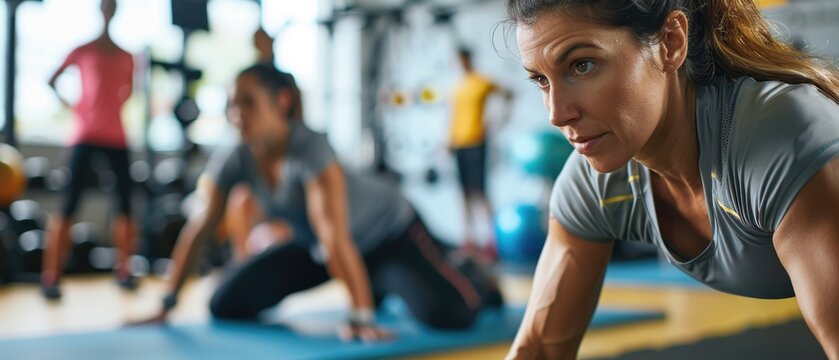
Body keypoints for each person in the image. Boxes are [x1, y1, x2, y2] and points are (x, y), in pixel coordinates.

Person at [504, 0, 839, 358]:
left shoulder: (775, 137)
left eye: (582, 65)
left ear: (670, 42)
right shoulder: (596, 184)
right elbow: (539, 348)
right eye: (541, 80)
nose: (557, 114)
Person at [143, 64, 501, 339]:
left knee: (450, 315)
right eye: (231, 105)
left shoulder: (310, 149)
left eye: (247, 103)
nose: (236, 114)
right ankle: (373, 287)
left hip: (389, 234)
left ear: (282, 101)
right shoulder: (235, 156)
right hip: (318, 246)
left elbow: (335, 234)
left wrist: (361, 317)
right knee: (226, 303)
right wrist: (167, 302)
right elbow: (202, 225)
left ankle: (472, 273)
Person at [42, 0, 137, 299]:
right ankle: (51, 276)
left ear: (115, 12)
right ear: (100, 10)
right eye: (105, 6)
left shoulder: (127, 56)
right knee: (68, 203)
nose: (108, 11)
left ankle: (124, 270)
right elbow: (52, 79)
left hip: (117, 137)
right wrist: (76, 108)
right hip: (85, 134)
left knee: (125, 204)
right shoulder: (83, 49)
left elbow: (128, 92)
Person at [448, 47, 513, 260]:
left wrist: (496, 121)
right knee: (464, 193)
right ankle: (468, 240)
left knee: (480, 192)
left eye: (463, 60)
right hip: (458, 144)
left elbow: (509, 95)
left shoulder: (482, 82)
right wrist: (447, 140)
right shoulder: (457, 87)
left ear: (468, 59)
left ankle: (490, 242)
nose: (461, 64)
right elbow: (453, 116)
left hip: (477, 142)